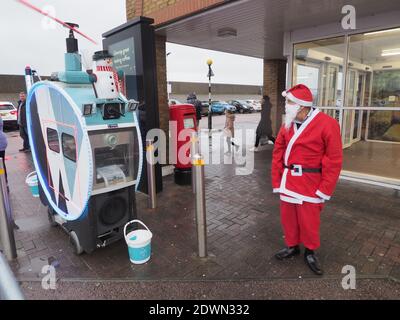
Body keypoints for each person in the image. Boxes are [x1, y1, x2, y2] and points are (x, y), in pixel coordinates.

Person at [271, 84, 342, 275]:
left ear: (301, 106)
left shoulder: (328, 124)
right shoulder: (288, 123)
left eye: (289, 102)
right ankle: (292, 246)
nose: (286, 106)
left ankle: (310, 251)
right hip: (288, 181)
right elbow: (278, 151)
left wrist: (325, 188)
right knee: (289, 218)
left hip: (311, 183)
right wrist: (277, 180)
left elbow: (334, 159)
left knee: (309, 221)